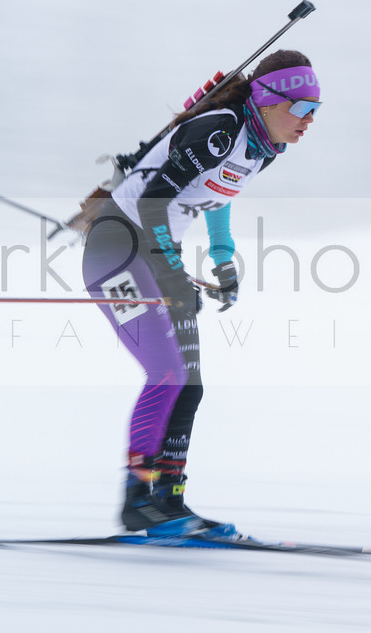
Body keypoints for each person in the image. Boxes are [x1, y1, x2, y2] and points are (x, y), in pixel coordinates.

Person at [80, 50, 321, 537]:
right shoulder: (219, 130)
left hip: (156, 256)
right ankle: (137, 502)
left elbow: (217, 195)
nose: (308, 120)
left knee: (189, 385)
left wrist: (222, 258)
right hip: (116, 250)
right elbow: (152, 203)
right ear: (268, 100)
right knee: (166, 374)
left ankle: (168, 503)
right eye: (300, 108)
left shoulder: (261, 147)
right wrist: (173, 274)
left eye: (315, 110)